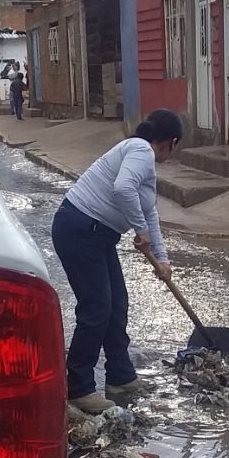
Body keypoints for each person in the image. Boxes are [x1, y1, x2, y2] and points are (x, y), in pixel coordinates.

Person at [52, 108, 183, 414]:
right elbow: (122, 189)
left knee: (117, 304)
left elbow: (149, 213)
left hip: (97, 234)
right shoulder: (140, 149)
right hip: (80, 229)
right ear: (172, 142)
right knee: (96, 308)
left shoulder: (144, 163)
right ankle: (78, 388)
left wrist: (162, 260)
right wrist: (138, 229)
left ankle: (121, 377)